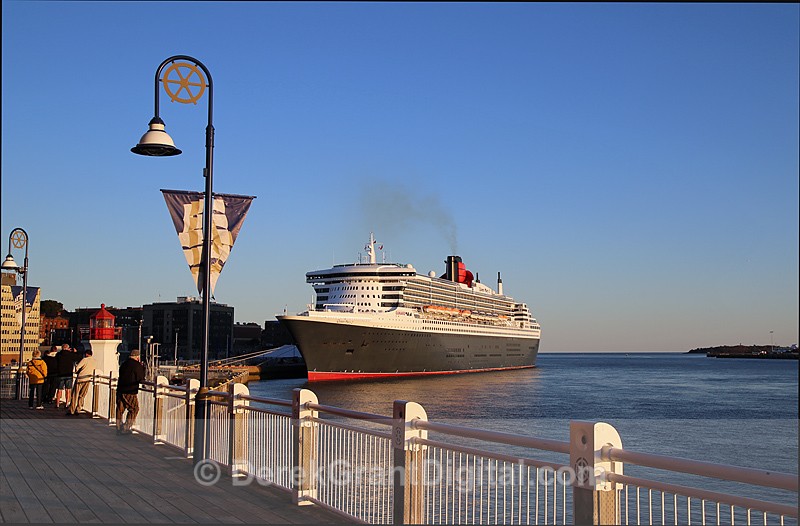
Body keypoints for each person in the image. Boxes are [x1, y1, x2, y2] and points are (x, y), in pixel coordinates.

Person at [116, 349, 145, 435]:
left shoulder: (124, 364)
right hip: (130, 390)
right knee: (134, 409)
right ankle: (126, 427)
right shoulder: (137, 365)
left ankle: (118, 426)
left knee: (120, 409)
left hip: (120, 389)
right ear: (137, 357)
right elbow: (140, 378)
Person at [67, 350, 96, 416]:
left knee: (75, 394)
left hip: (80, 379)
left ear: (86, 354)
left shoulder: (84, 360)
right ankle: (79, 409)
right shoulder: (94, 361)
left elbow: (77, 368)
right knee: (82, 395)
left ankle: (72, 410)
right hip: (88, 379)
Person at [55, 343, 80, 408]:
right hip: (69, 374)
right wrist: (75, 352)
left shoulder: (58, 354)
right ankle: (67, 403)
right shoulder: (70, 354)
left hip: (60, 374)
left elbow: (56, 361)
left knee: (59, 389)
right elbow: (78, 357)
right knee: (68, 389)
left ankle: (57, 403)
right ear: (68, 348)